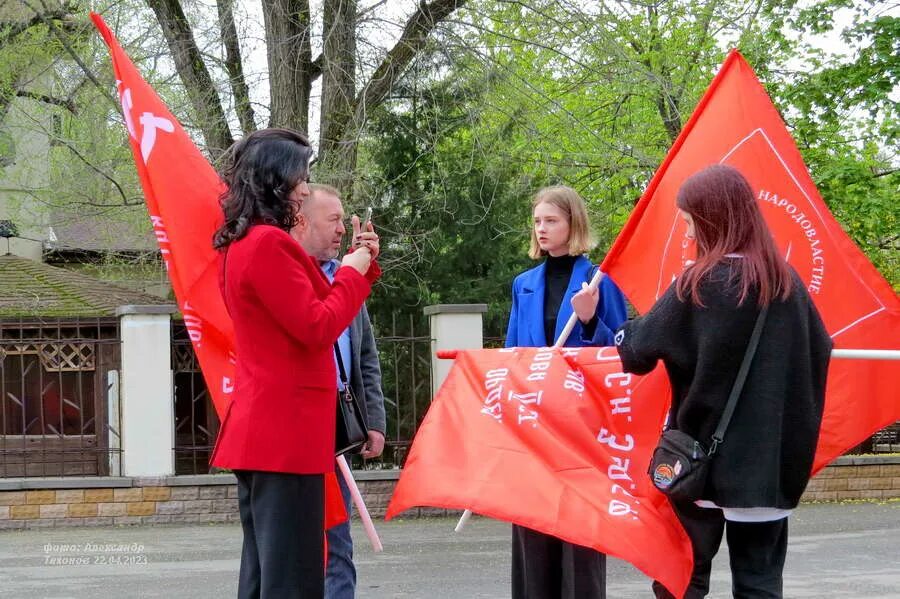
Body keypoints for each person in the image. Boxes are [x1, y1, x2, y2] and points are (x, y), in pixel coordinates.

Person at [614, 164, 832, 599]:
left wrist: (616, 328)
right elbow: (819, 352)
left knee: (683, 579)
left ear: (711, 218)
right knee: (759, 585)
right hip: (767, 469)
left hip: (697, 466)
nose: (689, 229)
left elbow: (635, 354)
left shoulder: (698, 283)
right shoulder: (784, 283)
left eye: (690, 219)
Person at [209, 128, 379, 599]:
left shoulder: (247, 244)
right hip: (284, 436)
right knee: (292, 580)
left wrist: (357, 267)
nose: (305, 188)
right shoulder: (268, 244)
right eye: (301, 177)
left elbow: (322, 305)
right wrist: (351, 271)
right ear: (277, 179)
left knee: (267, 576)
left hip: (268, 435)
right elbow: (318, 327)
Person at [505, 185, 628, 599]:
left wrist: (591, 323)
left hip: (582, 429)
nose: (541, 228)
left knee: (580, 539)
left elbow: (619, 357)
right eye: (537, 221)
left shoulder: (601, 282)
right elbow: (512, 356)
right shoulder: (523, 284)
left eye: (551, 220)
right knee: (533, 535)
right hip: (534, 425)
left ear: (573, 224)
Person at [290, 183, 387, 599]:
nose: (340, 232)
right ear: (301, 221)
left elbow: (365, 356)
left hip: (340, 427)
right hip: (298, 431)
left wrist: (375, 422)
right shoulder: (292, 275)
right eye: (333, 220)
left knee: (339, 542)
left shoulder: (345, 278)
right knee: (296, 545)